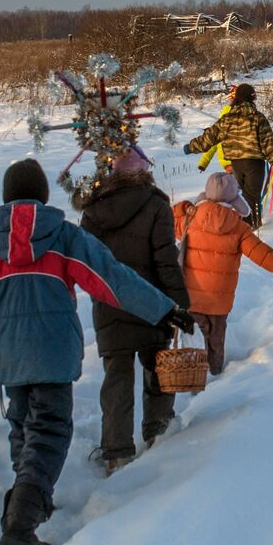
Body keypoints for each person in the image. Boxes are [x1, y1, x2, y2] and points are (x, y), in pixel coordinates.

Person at [0, 158, 193, 545]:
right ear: (43, 195)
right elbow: (111, 279)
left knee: (22, 425)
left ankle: (30, 496)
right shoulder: (63, 237)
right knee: (50, 430)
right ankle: (21, 525)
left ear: (5, 197)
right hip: (52, 351)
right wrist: (162, 308)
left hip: (8, 355)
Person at [74, 147, 190, 476]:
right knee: (158, 369)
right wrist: (179, 302)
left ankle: (116, 452)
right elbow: (166, 258)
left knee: (117, 378)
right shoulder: (155, 204)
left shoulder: (93, 209)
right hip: (153, 303)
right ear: (143, 171)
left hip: (110, 303)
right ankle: (158, 433)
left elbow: (88, 260)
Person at [173, 173, 273, 376]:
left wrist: (182, 207)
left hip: (191, 296)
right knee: (215, 338)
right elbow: (261, 252)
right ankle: (215, 372)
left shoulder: (190, 219)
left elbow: (167, 218)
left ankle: (191, 375)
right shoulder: (239, 228)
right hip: (218, 301)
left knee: (193, 336)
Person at [182, 83, 273, 230]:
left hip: (236, 163)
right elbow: (268, 143)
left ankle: (243, 225)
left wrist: (191, 147)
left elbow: (209, 138)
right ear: (252, 98)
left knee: (240, 195)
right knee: (253, 196)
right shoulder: (257, 118)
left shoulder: (227, 119)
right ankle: (254, 227)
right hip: (254, 164)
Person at [196, 85, 236, 174]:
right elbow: (211, 146)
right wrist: (203, 163)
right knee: (231, 185)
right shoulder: (219, 130)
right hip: (230, 164)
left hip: (238, 164)